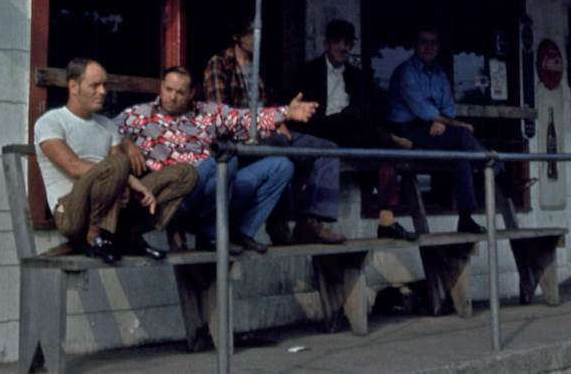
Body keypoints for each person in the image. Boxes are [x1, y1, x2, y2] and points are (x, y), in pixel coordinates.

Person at [114, 66, 317, 253]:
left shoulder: (207, 113)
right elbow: (103, 131)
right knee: (224, 160)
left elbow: (243, 119)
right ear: (161, 86)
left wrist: (285, 113)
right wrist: (125, 142)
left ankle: (240, 233)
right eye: (168, 90)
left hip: (215, 192)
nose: (172, 97)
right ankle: (211, 236)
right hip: (175, 197)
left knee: (280, 165)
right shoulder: (138, 116)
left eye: (180, 92)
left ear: (192, 93)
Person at [34, 58, 198, 263]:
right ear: (73, 86)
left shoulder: (107, 126)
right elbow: (73, 167)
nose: (103, 91)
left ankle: (126, 235)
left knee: (184, 174)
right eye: (95, 85)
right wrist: (127, 180)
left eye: (105, 85)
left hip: (112, 208)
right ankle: (95, 238)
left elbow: (115, 170)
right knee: (119, 164)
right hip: (71, 212)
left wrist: (122, 187)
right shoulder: (51, 122)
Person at [203, 16, 344, 245]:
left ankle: (311, 221)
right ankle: (277, 222)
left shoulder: (259, 66)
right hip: (239, 137)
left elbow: (270, 105)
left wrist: (280, 122)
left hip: (269, 132)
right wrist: (269, 122)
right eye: (250, 32)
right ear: (236, 35)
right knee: (282, 150)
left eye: (258, 33)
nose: (255, 38)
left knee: (328, 149)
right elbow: (221, 117)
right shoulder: (219, 64)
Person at [388, 28, 524, 234]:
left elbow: (448, 108)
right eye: (424, 42)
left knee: (462, 156)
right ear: (414, 45)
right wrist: (453, 124)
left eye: (433, 42)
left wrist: (443, 122)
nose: (429, 47)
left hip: (433, 131)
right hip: (406, 133)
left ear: (439, 47)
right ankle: (502, 177)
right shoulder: (406, 72)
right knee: (462, 134)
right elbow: (421, 109)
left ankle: (466, 218)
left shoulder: (440, 74)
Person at [293, 19, 417, 242]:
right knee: (355, 119)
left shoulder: (357, 76)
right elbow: (301, 114)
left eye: (348, 43)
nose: (344, 47)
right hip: (320, 129)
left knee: (383, 148)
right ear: (326, 44)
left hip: (350, 132)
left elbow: (371, 108)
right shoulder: (308, 72)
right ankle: (391, 137)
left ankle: (387, 220)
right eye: (338, 42)